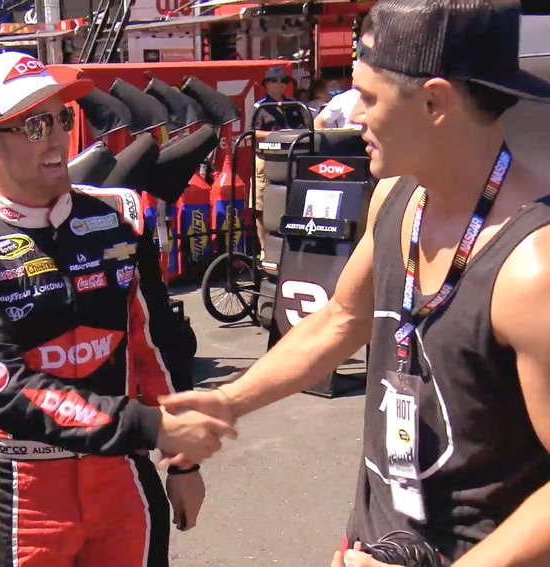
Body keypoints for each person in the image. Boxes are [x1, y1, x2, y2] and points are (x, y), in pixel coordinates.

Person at [160, 1, 550, 566]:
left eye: (368, 97)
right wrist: (226, 402)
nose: (351, 116)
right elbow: (342, 318)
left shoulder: (532, 267)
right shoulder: (398, 196)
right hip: (376, 545)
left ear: (434, 102)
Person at [0, 51, 234, 566]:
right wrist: (151, 427)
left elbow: (155, 347)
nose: (59, 139)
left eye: (62, 118)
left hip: (121, 478)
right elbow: (5, 390)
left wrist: (183, 464)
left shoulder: (121, 216)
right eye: (35, 125)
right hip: (26, 491)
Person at [252, 65, 307, 269]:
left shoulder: (294, 106)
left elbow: (306, 129)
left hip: (291, 160)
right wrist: (279, 135)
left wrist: (292, 135)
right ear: (267, 84)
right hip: (266, 159)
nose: (279, 85)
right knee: (262, 205)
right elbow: (253, 133)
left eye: (283, 81)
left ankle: (291, 247)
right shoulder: (260, 107)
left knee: (290, 202)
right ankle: (265, 249)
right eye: (274, 81)